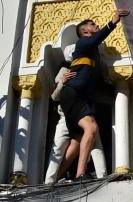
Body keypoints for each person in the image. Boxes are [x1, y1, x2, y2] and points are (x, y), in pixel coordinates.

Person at [58, 8, 129, 178]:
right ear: (84, 31)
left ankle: (58, 178)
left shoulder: (91, 54)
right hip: (75, 94)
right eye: (92, 24)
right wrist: (112, 23)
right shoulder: (82, 43)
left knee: (77, 140)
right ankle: (80, 174)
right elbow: (96, 39)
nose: (96, 25)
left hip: (77, 96)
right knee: (91, 127)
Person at [44, 56, 107, 184]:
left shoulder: (90, 73)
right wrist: (63, 82)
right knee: (58, 149)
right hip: (65, 116)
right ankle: (49, 183)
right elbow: (54, 97)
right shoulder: (66, 70)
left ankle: (102, 177)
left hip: (84, 114)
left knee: (91, 143)